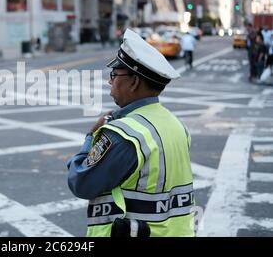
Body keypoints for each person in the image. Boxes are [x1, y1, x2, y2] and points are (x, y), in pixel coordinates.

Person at [67, 29, 195, 237]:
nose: (110, 81)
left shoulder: (123, 135)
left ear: (134, 82)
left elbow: (81, 183)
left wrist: (91, 137)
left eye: (114, 75)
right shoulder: (177, 125)